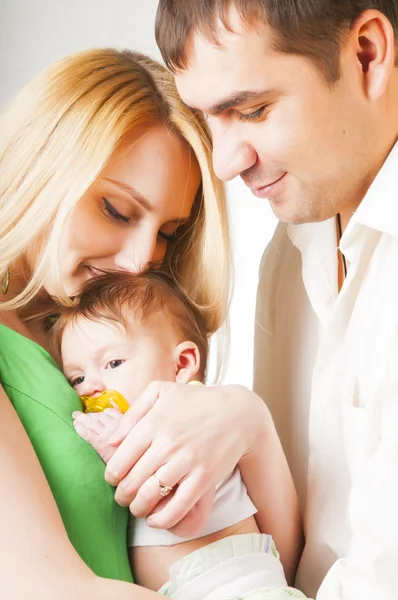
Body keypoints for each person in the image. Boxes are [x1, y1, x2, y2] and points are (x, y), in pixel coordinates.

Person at [143, 1, 398, 599]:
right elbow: (288, 553)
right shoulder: (291, 250)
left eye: (253, 110)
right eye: (211, 119)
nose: (227, 162)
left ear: (367, 54)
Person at [0, 46, 242, 598]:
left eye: (166, 232)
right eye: (116, 210)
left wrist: (248, 422)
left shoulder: (117, 344)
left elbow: (262, 548)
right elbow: (47, 588)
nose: (140, 262)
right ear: (42, 167)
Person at [52, 270, 305, 600]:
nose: (92, 386)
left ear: (181, 364)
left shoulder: (194, 426)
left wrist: (118, 452)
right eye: (77, 379)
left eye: (113, 363)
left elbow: (186, 519)